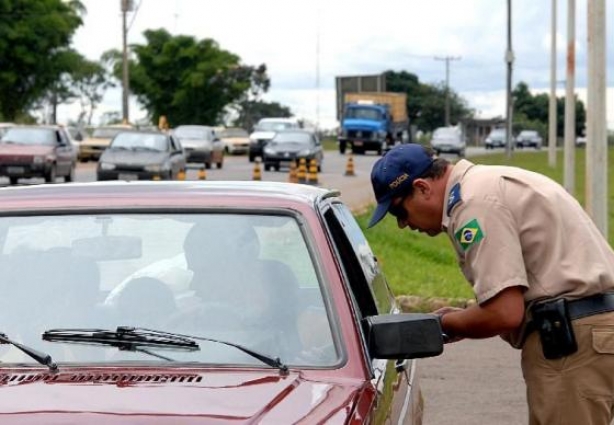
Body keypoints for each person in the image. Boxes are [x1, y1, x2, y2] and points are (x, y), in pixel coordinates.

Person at [368, 143, 614, 425]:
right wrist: (466, 315)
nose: (402, 225)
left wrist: (446, 324)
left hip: (571, 343)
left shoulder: (473, 204)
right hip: (592, 332)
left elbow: (504, 313)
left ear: (423, 188)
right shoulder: (486, 183)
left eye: (399, 212)